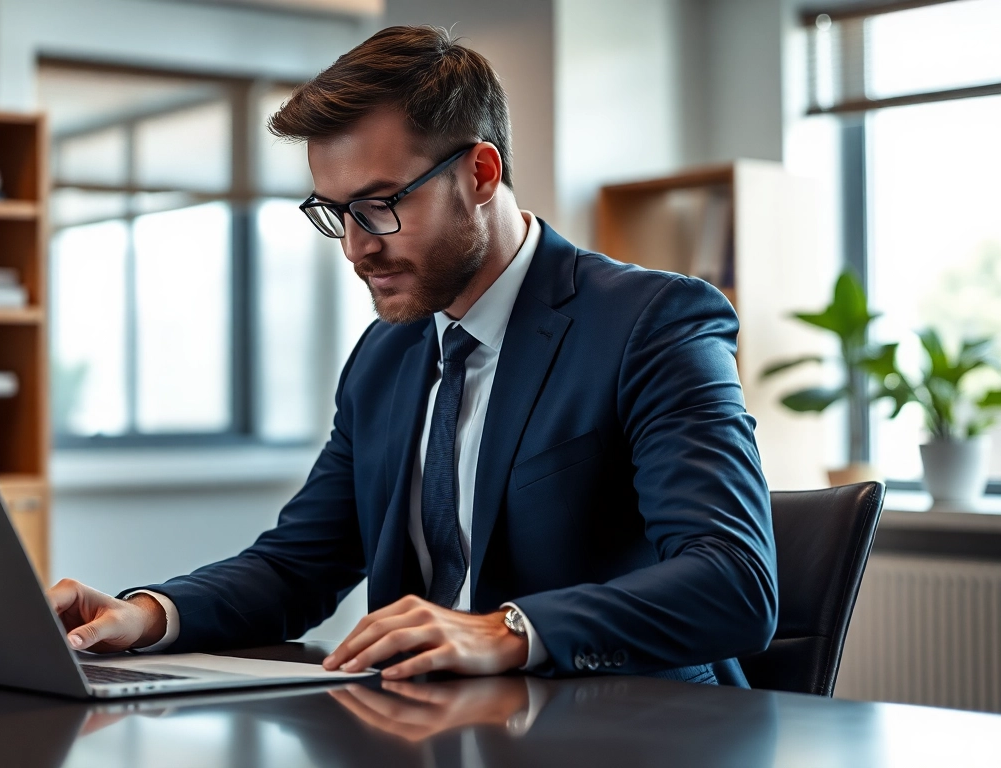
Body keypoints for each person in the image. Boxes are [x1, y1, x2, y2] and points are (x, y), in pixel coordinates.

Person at [49, 25, 777, 686]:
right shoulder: (387, 355)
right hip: (426, 727)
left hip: (629, 733)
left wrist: (507, 631)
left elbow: (734, 581)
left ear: (482, 174)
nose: (359, 245)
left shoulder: (649, 322)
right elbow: (299, 564)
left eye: (380, 205)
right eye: (335, 214)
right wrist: (148, 614)